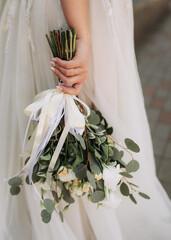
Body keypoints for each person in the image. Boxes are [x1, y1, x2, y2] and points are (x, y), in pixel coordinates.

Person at [0, 0, 170, 239]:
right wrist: (83, 37)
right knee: (78, 117)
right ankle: (79, 219)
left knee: (80, 121)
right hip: (78, 13)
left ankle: (79, 207)